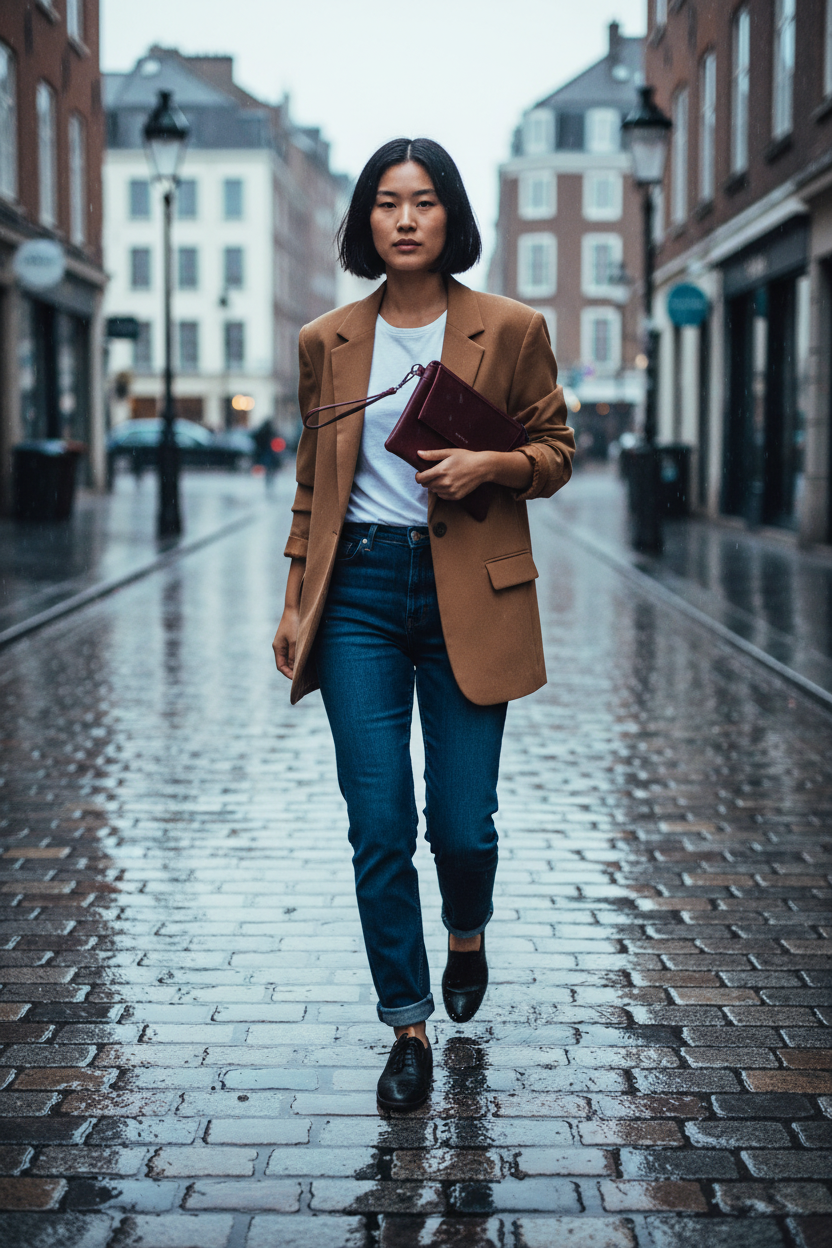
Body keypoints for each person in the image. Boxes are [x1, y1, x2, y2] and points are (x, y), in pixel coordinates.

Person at [272, 138, 574, 1111]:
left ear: (451, 219)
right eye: (387, 203)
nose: (405, 219)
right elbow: (313, 487)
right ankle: (405, 1024)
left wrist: (490, 468)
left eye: (425, 202)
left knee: (462, 824)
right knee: (377, 824)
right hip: (358, 592)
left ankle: (469, 929)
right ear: (366, 221)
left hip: (468, 594)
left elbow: (558, 448)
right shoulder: (327, 339)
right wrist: (292, 601)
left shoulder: (511, 327)